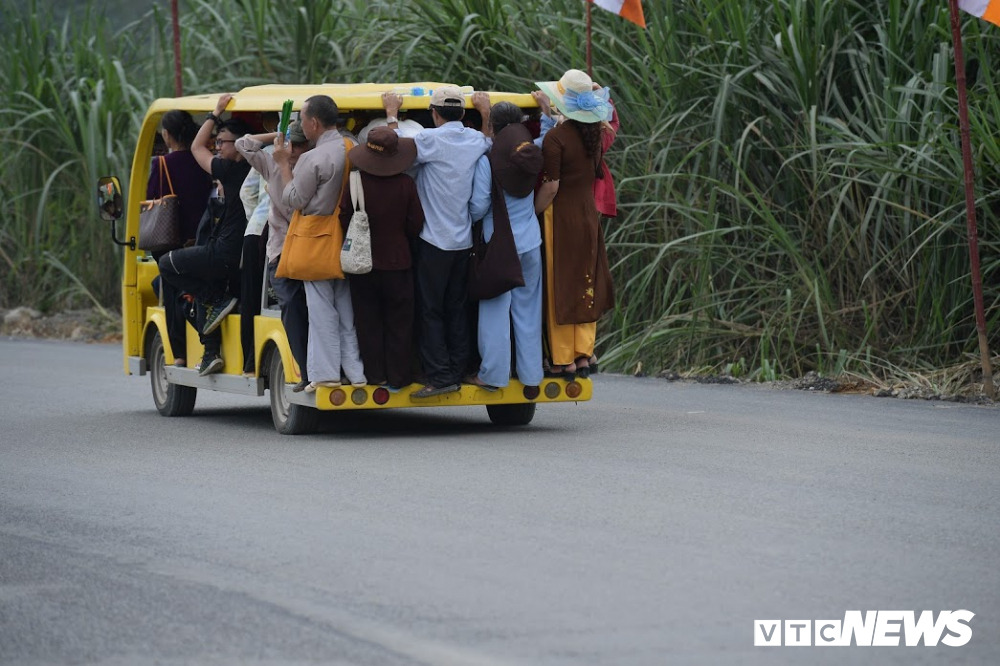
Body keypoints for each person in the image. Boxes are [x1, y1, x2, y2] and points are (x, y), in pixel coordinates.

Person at [381, 87, 493, 398]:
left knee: (430, 310)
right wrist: (485, 112)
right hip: (461, 239)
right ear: (461, 114)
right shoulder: (474, 140)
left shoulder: (429, 140)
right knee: (455, 308)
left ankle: (440, 375)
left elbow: (395, 151)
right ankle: (456, 370)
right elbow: (488, 138)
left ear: (435, 114)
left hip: (433, 240)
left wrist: (392, 114)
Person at [158, 94, 253, 376]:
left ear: (240, 144)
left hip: (225, 252)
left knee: (167, 265)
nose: (217, 146)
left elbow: (198, 146)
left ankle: (215, 302)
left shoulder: (233, 169)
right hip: (234, 252)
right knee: (200, 277)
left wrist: (214, 114)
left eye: (222, 142)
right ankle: (210, 351)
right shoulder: (247, 167)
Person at [275, 94, 366, 392]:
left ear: (313, 123)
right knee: (347, 310)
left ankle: (325, 375)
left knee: (321, 311)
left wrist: (283, 165)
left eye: (302, 120)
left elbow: (293, 200)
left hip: (316, 239)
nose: (301, 125)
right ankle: (356, 372)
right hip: (345, 237)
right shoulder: (352, 147)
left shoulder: (313, 158)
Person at [534, 69, 616, 379]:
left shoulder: (556, 138)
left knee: (561, 283)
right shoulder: (595, 132)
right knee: (586, 281)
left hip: (562, 215)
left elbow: (551, 186)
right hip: (587, 214)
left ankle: (563, 357)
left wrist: (532, 212)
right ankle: (585, 352)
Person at [467, 103, 545, 391]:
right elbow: (546, 138)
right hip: (531, 242)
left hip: (501, 245)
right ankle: (531, 375)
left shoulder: (489, 160)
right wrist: (547, 115)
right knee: (527, 309)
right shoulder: (529, 153)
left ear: (493, 128)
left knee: (495, 312)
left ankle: (493, 376)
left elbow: (478, 207)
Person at [339, 127, 425, 390]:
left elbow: (344, 218)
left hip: (362, 265)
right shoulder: (406, 184)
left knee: (368, 322)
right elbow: (416, 225)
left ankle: (376, 375)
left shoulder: (355, 182)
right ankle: (399, 377)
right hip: (399, 263)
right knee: (400, 323)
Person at [236, 120, 313, 388]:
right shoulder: (274, 164)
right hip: (283, 250)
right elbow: (242, 143)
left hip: (302, 249)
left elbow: (292, 203)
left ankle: (311, 370)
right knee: (295, 311)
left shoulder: (310, 167)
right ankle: (306, 369)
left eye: (299, 145)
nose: (295, 150)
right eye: (292, 144)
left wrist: (281, 160)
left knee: (303, 311)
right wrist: (276, 137)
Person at [146, 110, 212, 368]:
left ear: (166, 135)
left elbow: (152, 200)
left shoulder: (162, 164)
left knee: (167, 285)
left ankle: (180, 353)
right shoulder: (205, 161)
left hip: (172, 241)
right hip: (204, 240)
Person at [237, 112, 279, 377]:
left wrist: (255, 217)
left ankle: (250, 361)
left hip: (256, 231)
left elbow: (247, 192)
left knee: (252, 296)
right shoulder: (312, 153)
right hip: (279, 231)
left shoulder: (271, 150)